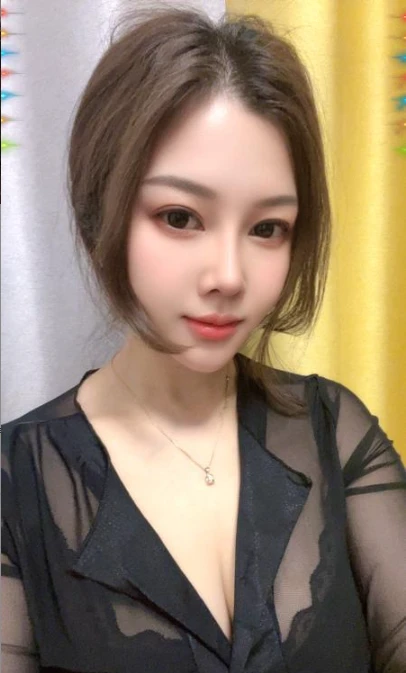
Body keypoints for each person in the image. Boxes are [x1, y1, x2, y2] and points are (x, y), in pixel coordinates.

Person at [2, 5, 405, 673]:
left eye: (267, 228)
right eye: (180, 217)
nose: (228, 276)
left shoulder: (336, 432)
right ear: (102, 206)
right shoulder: (15, 484)